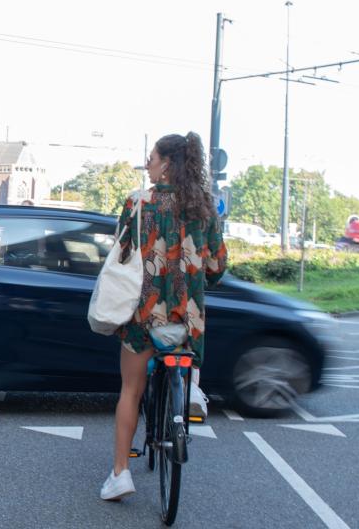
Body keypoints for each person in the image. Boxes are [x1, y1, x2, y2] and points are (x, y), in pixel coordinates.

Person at [100, 132, 227, 501]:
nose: (147, 164)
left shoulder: (138, 203)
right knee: (183, 352)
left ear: (167, 164)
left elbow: (122, 251)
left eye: (151, 158)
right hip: (187, 318)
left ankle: (120, 474)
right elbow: (217, 265)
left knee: (130, 390)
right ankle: (190, 388)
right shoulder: (205, 207)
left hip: (143, 314)